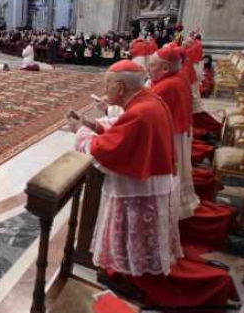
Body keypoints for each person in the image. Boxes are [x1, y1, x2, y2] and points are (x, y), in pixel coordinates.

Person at [67, 60, 182, 277]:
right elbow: (121, 128)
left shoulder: (141, 111)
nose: (105, 90)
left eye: (107, 85)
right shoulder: (147, 101)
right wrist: (91, 124)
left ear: (120, 87)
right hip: (151, 182)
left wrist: (79, 131)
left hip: (138, 190)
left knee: (133, 242)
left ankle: (129, 275)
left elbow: (105, 150)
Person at [149, 46, 199, 220]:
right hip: (179, 131)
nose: (148, 68)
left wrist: (111, 110)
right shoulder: (178, 77)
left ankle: (168, 211)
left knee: (170, 175)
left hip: (171, 136)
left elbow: (142, 111)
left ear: (165, 68)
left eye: (152, 65)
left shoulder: (167, 85)